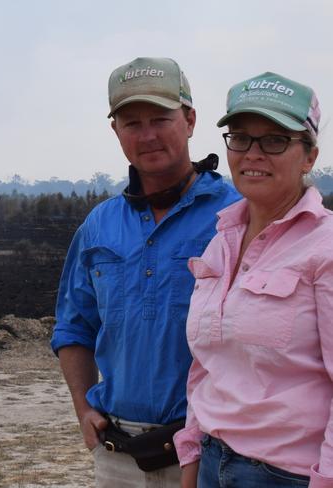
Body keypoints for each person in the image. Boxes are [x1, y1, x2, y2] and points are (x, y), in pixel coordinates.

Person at [51, 57, 239, 487]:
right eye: (132, 122)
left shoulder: (236, 215)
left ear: (190, 121)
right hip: (117, 455)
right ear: (115, 131)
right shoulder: (99, 225)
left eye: (161, 118)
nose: (148, 134)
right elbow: (74, 327)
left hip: (210, 451)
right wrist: (84, 410)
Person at [174, 72, 333, 487]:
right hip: (213, 463)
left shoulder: (326, 247)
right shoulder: (220, 243)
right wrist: (192, 454)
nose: (252, 153)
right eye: (241, 137)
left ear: (309, 156)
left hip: (287, 476)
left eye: (274, 140)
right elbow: (207, 364)